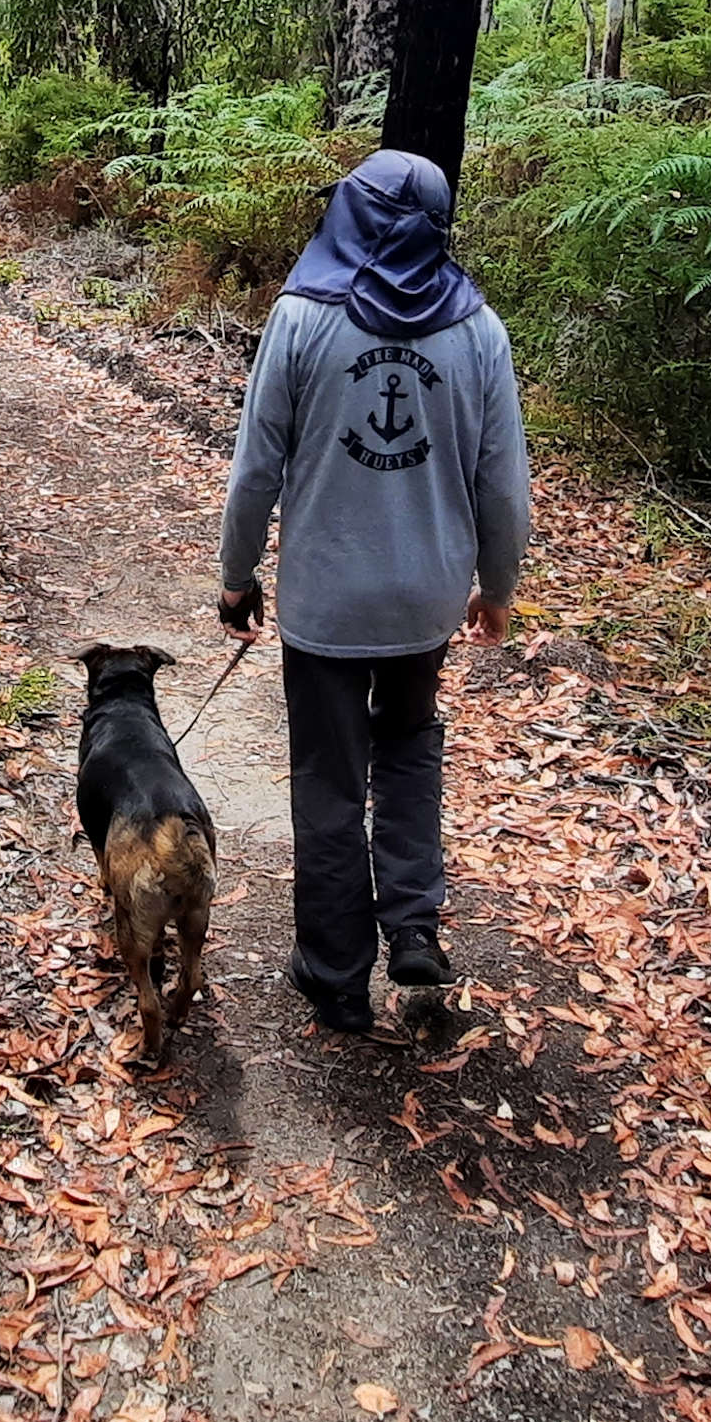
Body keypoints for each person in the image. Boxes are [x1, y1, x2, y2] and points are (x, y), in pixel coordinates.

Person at [217, 148, 532, 1036]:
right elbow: (503, 483)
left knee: (328, 778)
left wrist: (238, 575)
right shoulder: (478, 330)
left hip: (326, 602)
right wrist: (497, 587)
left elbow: (255, 471)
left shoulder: (302, 317)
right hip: (423, 602)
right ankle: (415, 923)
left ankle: (336, 974)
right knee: (406, 751)